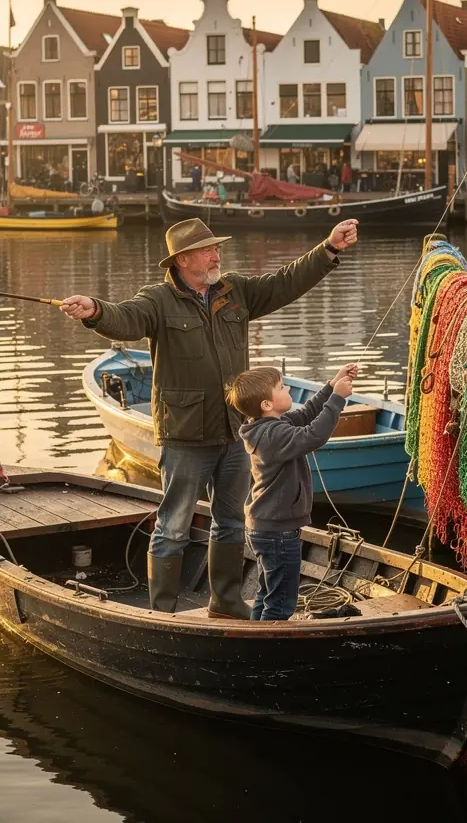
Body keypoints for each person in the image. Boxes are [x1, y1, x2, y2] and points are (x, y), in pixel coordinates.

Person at [59, 215, 360, 617]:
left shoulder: (236, 291)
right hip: (184, 435)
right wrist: (94, 310)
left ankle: (226, 602)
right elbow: (125, 317)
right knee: (173, 526)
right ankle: (161, 612)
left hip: (236, 432)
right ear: (183, 260)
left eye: (216, 247)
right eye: (208, 249)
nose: (217, 253)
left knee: (232, 521)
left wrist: (329, 249)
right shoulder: (157, 300)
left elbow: (285, 281)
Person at [228, 363, 357, 621]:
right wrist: (338, 399)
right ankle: (271, 651)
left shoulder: (271, 425)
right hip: (278, 532)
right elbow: (313, 435)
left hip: (265, 528)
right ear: (267, 404)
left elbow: (309, 413)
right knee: (281, 602)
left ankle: (255, 638)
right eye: (281, 387)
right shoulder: (274, 435)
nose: (287, 389)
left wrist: (332, 385)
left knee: (267, 594)